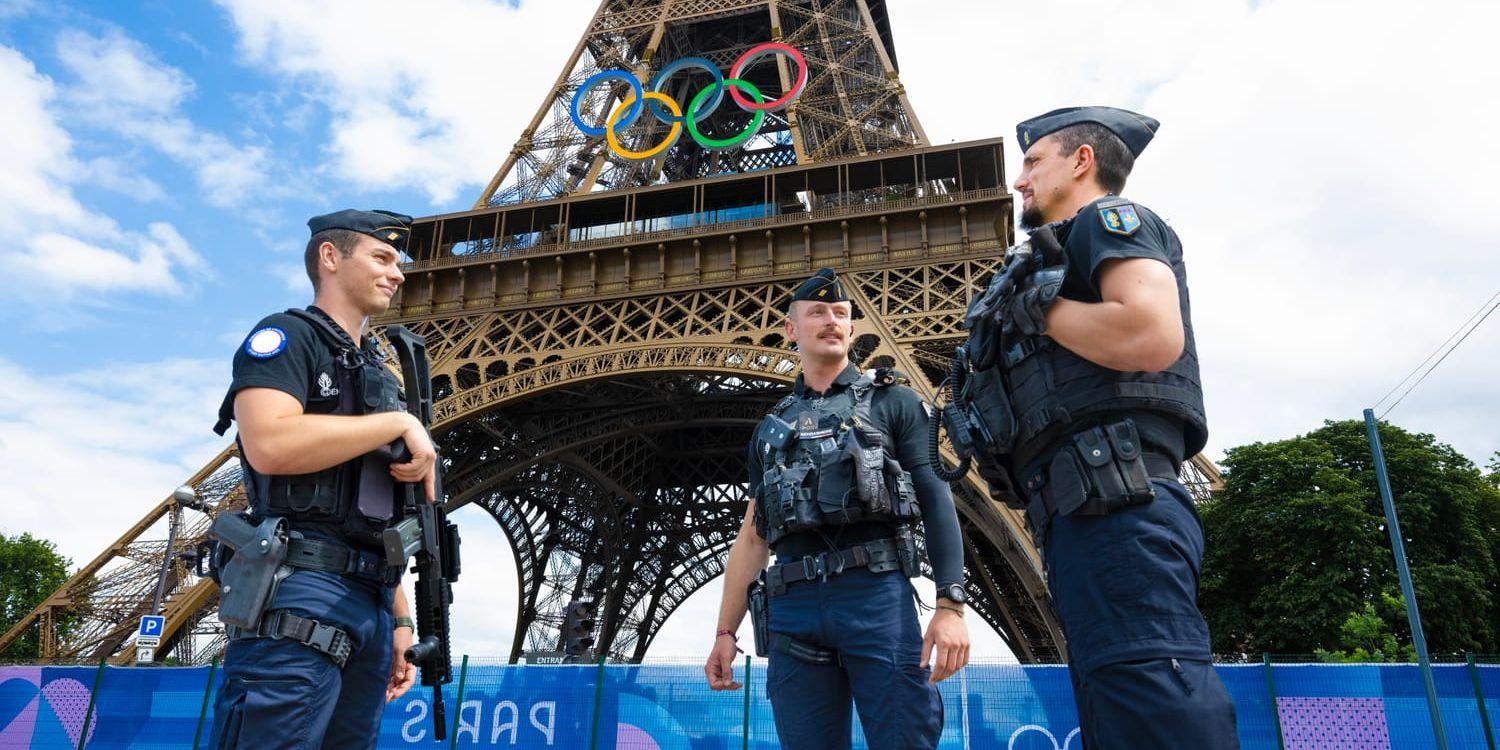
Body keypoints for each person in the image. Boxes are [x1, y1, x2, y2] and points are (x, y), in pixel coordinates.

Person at [991, 107, 1239, 747]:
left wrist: (1036, 312)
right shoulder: (1056, 253)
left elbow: (1150, 334)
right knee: (1122, 703)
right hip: (1083, 508)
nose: (1019, 180)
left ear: (1081, 161)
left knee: (1150, 694)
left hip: (1118, 501)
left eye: (1033, 161)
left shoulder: (1105, 221)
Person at [704, 269, 970, 750]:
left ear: (852, 329)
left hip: (875, 596)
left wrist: (950, 605)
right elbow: (752, 538)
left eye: (841, 314)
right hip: (792, 608)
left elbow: (935, 498)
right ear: (790, 329)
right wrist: (726, 631)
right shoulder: (770, 430)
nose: (831, 321)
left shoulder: (896, 402)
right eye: (817, 313)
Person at [208, 209, 437, 749]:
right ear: (331, 258)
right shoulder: (286, 336)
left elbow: (372, 509)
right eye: (382, 257)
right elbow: (268, 444)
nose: (398, 273)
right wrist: (400, 422)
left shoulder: (381, 374)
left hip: (372, 600)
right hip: (303, 588)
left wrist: (399, 621)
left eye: (398, 262)